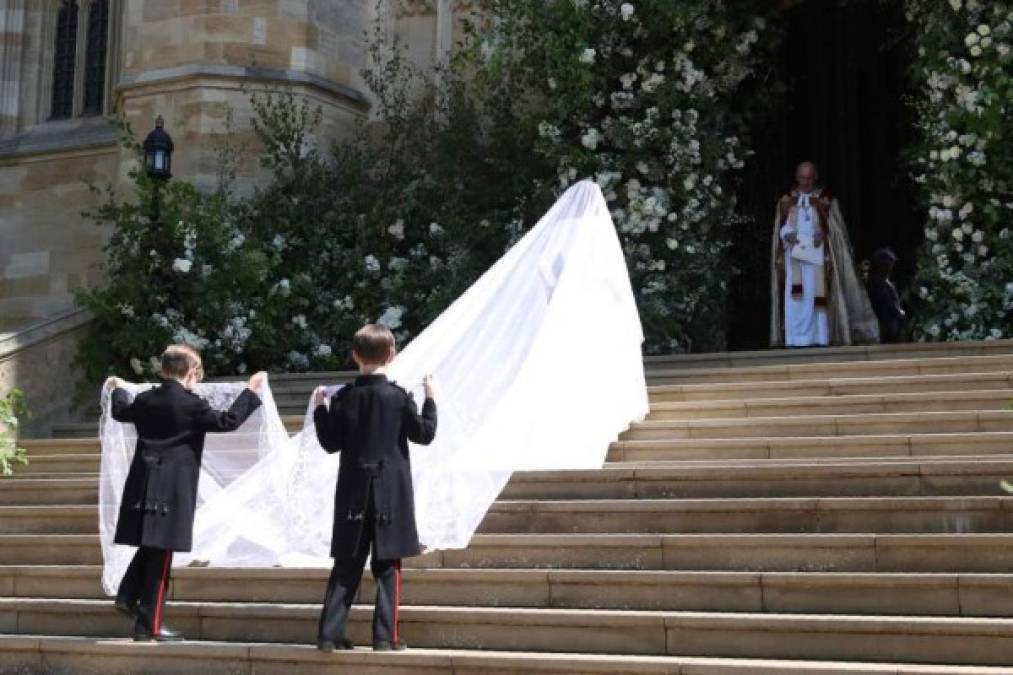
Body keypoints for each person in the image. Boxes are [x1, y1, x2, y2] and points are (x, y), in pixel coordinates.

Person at [105, 344, 265, 641]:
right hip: (172, 488)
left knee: (153, 548)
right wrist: (251, 392)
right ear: (191, 371)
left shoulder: (145, 399)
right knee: (161, 557)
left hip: (143, 481)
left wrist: (118, 388)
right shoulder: (192, 405)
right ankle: (149, 624)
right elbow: (228, 421)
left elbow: (120, 411)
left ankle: (130, 600)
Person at [312, 324, 437, 652]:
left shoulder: (345, 398)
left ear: (355, 355)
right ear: (392, 355)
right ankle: (385, 637)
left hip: (354, 490)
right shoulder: (397, 396)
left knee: (346, 563)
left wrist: (319, 410)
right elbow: (424, 434)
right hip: (390, 492)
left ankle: (329, 633)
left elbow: (329, 443)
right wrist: (430, 400)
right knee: (388, 565)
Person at [769, 161, 880, 347]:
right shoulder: (787, 201)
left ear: (815, 178)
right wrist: (787, 235)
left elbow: (837, 232)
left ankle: (819, 338)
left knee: (816, 297)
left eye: (809, 178)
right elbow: (780, 228)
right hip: (794, 258)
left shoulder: (825, 200)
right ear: (797, 178)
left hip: (817, 260)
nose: (805, 182)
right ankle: (795, 340)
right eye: (802, 178)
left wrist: (824, 233)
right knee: (796, 300)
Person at [867, 247, 906, 343]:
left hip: (891, 323)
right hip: (885, 324)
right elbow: (886, 302)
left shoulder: (885, 281)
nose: (891, 267)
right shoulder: (877, 283)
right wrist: (898, 312)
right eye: (889, 263)